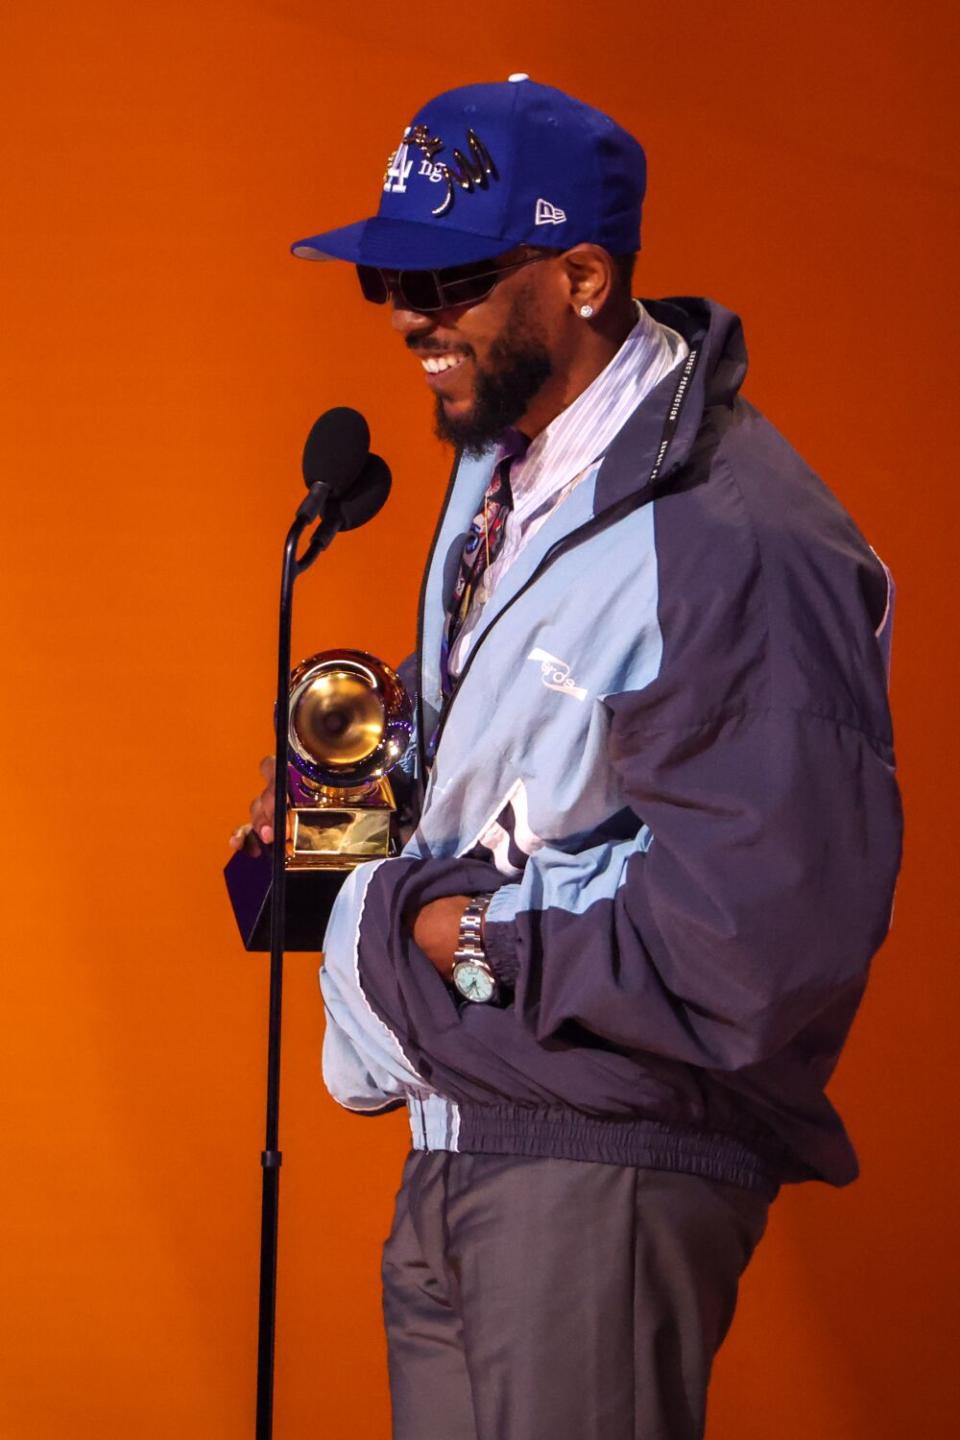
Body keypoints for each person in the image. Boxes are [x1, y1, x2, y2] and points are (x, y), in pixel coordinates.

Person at [231, 77, 902, 1440]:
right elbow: (550, 724)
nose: (412, 318)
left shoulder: (736, 539)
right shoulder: (516, 465)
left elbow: (761, 936)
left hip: (600, 1161)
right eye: (389, 283)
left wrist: (451, 935)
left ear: (584, 275)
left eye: (453, 279)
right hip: (466, 1132)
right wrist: (366, 775)